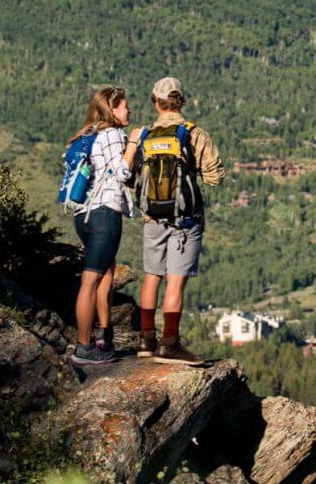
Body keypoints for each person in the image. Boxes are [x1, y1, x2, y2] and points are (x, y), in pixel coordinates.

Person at [133, 77, 224, 365]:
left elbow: (132, 179)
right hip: (186, 218)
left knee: (152, 276)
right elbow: (215, 177)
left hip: (152, 217)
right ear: (180, 100)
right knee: (175, 283)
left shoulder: (144, 135)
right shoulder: (193, 133)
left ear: (156, 102)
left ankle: (146, 339)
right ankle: (170, 343)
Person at [69, 85, 136, 366]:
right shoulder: (112, 135)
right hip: (105, 215)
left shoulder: (87, 135)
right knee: (90, 280)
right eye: (124, 106)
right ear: (112, 109)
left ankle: (104, 336)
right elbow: (122, 172)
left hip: (83, 215)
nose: (129, 110)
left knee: (107, 271)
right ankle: (84, 347)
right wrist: (132, 144)